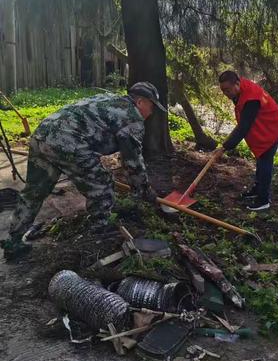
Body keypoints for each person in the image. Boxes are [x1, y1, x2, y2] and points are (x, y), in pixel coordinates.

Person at [1, 82, 166, 260]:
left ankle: (13, 242)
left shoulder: (110, 99)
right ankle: (99, 235)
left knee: (33, 193)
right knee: (102, 185)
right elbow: (132, 163)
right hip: (68, 143)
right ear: (140, 102)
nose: (152, 112)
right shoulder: (132, 118)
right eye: (152, 106)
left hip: (42, 135)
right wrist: (144, 191)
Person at [218, 71, 278, 211]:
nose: (226, 93)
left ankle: (263, 200)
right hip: (264, 126)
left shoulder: (251, 98)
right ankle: (257, 190)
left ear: (237, 83)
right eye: (223, 90)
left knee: (265, 161)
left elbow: (244, 126)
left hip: (273, 128)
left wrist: (225, 147)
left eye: (227, 89)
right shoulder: (239, 90)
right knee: (261, 159)